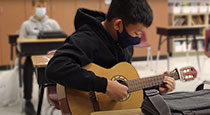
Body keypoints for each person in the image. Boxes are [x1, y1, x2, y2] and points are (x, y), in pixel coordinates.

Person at [46, 0, 175, 103]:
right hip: (85, 105)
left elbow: (123, 84)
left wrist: (155, 87)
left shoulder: (125, 43)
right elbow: (55, 67)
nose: (138, 37)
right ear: (118, 24)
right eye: (136, 32)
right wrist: (105, 85)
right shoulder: (86, 38)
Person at [19, 0, 60, 114]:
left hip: (49, 57)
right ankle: (28, 100)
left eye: (43, 6)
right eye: (38, 6)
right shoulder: (26, 25)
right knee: (27, 66)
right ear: (33, 8)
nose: (41, 8)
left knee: (61, 64)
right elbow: (21, 43)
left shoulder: (53, 23)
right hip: (32, 56)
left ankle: (59, 94)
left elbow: (60, 41)